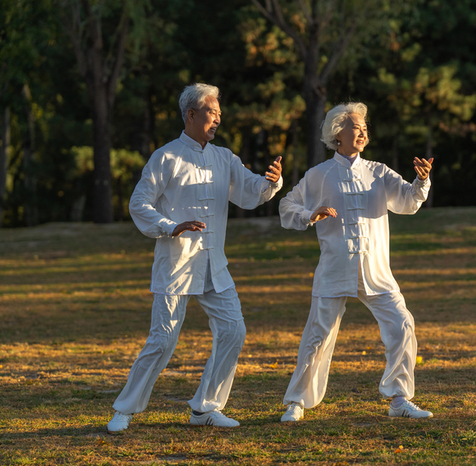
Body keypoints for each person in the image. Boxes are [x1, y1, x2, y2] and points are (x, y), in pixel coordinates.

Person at [107, 83, 283, 433]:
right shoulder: (166, 156)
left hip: (214, 264)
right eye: (212, 112)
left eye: (219, 113)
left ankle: (206, 407)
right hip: (176, 262)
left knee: (234, 330)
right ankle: (124, 409)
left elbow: (249, 192)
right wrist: (171, 226)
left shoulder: (224, 158)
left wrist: (270, 184)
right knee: (163, 338)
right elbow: (138, 203)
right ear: (191, 114)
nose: (218, 118)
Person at [278, 102, 434, 422]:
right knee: (317, 336)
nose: (362, 131)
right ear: (338, 132)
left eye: (365, 127)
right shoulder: (319, 175)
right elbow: (286, 206)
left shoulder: (378, 171)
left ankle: (399, 398)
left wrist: (420, 182)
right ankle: (297, 402)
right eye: (355, 126)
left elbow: (407, 201)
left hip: (376, 270)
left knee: (402, 324)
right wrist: (310, 215)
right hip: (335, 269)